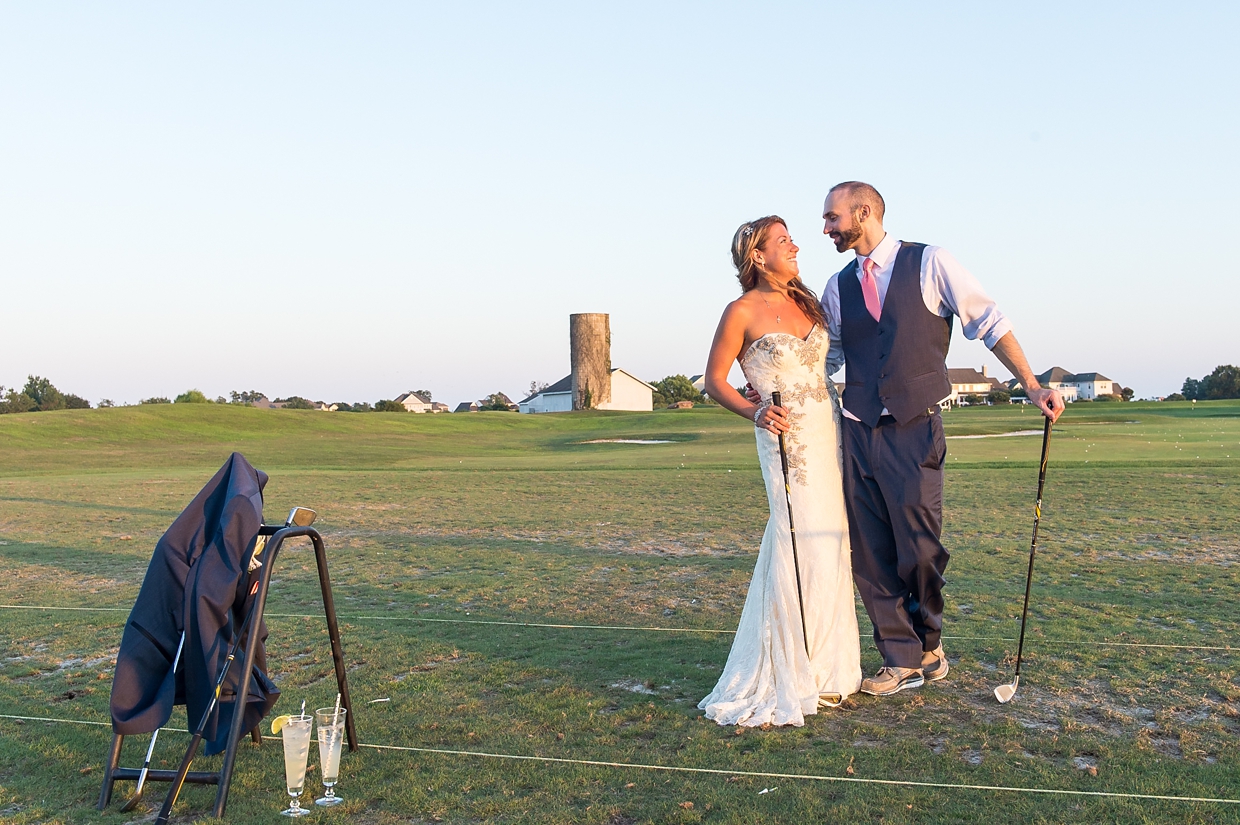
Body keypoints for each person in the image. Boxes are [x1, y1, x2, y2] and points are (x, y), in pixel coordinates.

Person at [819, 181, 1064, 696]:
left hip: (914, 428)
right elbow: (828, 357)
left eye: (833, 218)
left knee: (920, 549)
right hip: (857, 429)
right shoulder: (837, 287)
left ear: (864, 212)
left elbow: (989, 321)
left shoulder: (930, 263)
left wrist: (1032, 383)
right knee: (869, 553)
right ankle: (901, 659)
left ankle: (928, 643)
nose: (826, 229)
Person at [698, 216, 862, 727]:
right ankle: (791, 668)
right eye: (783, 240)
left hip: (828, 429)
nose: (795, 245)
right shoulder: (741, 310)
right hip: (786, 439)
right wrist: (754, 410)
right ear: (757, 255)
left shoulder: (807, 301)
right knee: (798, 540)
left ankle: (828, 668)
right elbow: (714, 381)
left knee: (832, 540)